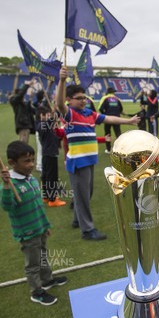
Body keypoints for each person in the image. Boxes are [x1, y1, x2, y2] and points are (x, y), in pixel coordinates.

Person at [56, 66, 139, 240]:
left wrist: (129, 121)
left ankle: (77, 220)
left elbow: (109, 118)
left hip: (89, 160)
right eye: (79, 99)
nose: (83, 101)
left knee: (85, 194)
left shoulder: (88, 113)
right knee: (83, 195)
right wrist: (62, 81)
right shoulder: (70, 114)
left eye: (84, 98)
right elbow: (58, 104)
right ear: (69, 100)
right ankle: (87, 230)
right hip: (78, 162)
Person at [0, 141, 68, 306]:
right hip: (27, 233)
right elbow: (7, 206)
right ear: (11, 163)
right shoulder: (10, 185)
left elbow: (38, 207)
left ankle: (47, 280)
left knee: (43, 256)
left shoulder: (31, 179)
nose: (30, 164)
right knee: (33, 263)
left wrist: (45, 225)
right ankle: (36, 291)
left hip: (40, 228)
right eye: (26, 161)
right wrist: (7, 185)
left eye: (32, 160)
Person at [36, 106, 66, 207]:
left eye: (49, 114)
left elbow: (55, 135)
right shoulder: (42, 125)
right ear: (41, 116)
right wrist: (55, 112)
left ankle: (46, 196)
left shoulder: (45, 125)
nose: (48, 116)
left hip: (48, 154)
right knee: (52, 177)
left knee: (46, 176)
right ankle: (53, 199)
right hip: (50, 154)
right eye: (46, 115)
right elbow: (52, 120)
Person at [9, 79, 36, 143]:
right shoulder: (15, 101)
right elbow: (20, 94)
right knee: (23, 143)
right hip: (23, 125)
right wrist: (27, 85)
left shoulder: (21, 103)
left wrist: (30, 99)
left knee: (25, 142)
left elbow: (29, 109)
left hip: (26, 125)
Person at [98, 87, 124, 154]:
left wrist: (104, 115)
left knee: (107, 133)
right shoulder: (117, 99)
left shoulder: (105, 98)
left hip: (108, 118)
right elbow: (121, 109)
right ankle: (120, 149)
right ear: (113, 92)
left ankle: (108, 149)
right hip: (117, 118)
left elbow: (100, 108)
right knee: (118, 133)